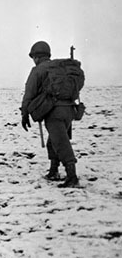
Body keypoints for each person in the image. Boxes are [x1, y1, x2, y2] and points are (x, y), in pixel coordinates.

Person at [21, 41, 81, 188]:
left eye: (33, 57)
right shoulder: (61, 68)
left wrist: (25, 113)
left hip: (54, 112)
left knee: (61, 143)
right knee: (54, 140)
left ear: (36, 57)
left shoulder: (38, 71)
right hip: (69, 109)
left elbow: (29, 94)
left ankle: (72, 176)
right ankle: (54, 170)